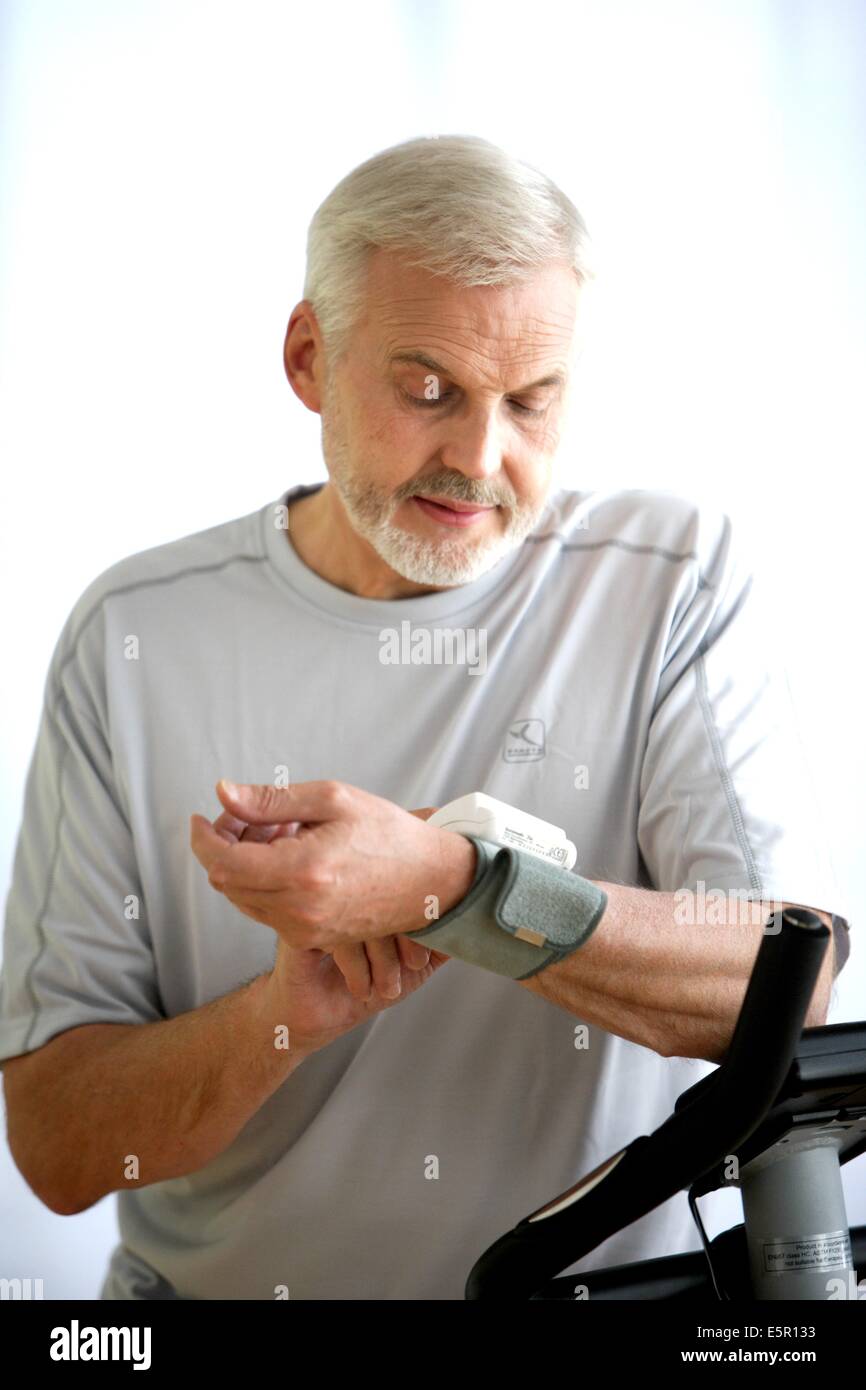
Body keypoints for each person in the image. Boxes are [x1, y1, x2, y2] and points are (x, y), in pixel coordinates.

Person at [0, 134, 850, 1301]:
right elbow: (58, 1144)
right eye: (427, 388)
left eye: (530, 400)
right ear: (308, 355)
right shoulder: (132, 632)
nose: (479, 456)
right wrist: (284, 1014)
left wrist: (457, 889)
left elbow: (782, 977)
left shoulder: (668, 578)